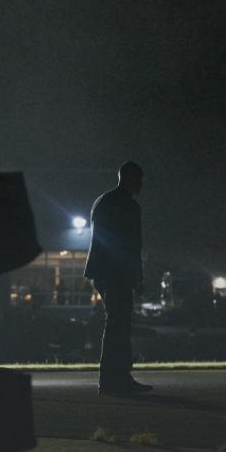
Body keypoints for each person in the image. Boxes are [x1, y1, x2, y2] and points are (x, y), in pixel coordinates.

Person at [85, 161, 150, 395]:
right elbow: (132, 244)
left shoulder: (102, 201)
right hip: (117, 272)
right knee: (119, 324)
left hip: (101, 270)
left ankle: (115, 377)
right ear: (132, 178)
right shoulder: (129, 206)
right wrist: (137, 277)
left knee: (116, 322)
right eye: (139, 179)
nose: (141, 184)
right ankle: (114, 378)